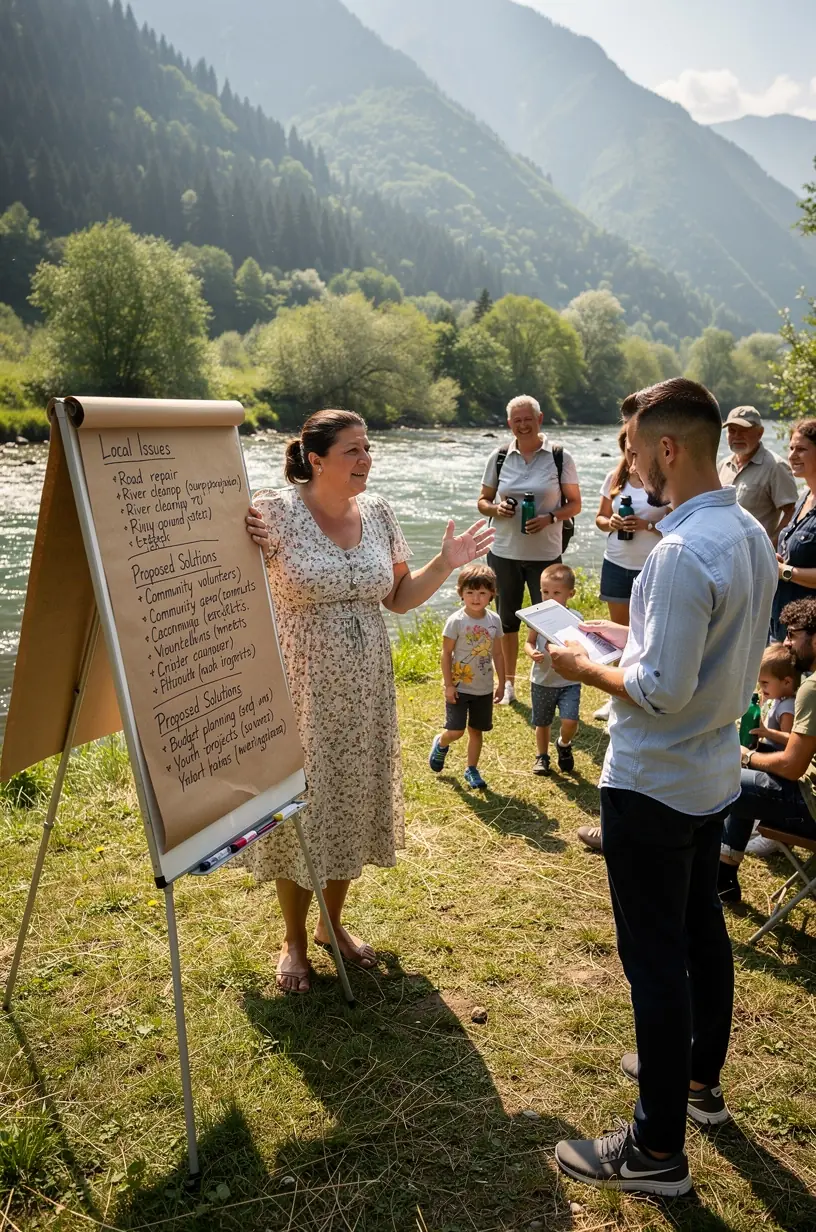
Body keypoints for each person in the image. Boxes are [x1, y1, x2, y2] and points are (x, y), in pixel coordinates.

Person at [546, 378, 776, 1196]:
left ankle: (652, 1151)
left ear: (668, 450)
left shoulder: (678, 551)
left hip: (653, 779)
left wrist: (579, 662)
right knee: (699, 930)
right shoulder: (746, 529)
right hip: (710, 770)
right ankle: (698, 1083)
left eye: (633, 450)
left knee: (653, 961)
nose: (627, 463)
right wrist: (627, 639)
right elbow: (703, 654)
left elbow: (663, 689)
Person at [244, 409, 494, 994]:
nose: (366, 459)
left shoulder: (378, 512)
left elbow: (401, 599)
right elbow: (231, 577)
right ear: (317, 458)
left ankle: (332, 924)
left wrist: (447, 563)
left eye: (367, 448)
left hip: (367, 686)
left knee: (353, 799)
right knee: (305, 806)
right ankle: (293, 940)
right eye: (353, 450)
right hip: (303, 686)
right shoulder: (274, 511)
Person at [477, 395, 581, 705]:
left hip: (545, 555)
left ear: (540, 419)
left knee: (550, 622)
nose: (523, 424)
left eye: (528, 419)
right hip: (504, 551)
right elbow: (482, 501)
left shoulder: (560, 456)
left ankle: (552, 681)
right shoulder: (498, 457)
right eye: (516, 420)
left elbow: (575, 504)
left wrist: (550, 517)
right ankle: (508, 686)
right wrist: (497, 510)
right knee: (507, 621)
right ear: (509, 423)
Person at [718, 599, 816, 904]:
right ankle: (723, 877)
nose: (786, 643)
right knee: (747, 780)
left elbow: (790, 767)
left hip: (811, 805)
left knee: (728, 777)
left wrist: (745, 756)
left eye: (792, 634)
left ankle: (710, 871)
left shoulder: (812, 689)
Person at [591, 427, 669, 725]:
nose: (631, 455)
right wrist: (610, 522)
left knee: (647, 633)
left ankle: (646, 692)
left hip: (650, 565)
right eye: (627, 449)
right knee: (617, 632)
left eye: (635, 449)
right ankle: (616, 697)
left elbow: (677, 518)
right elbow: (598, 519)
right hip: (616, 562)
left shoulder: (660, 479)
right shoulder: (614, 478)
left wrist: (647, 526)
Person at [428, 564, 505, 790]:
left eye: (482, 592)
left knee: (476, 731)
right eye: (470, 592)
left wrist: (502, 682)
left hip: (484, 688)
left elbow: (498, 654)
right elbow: (446, 653)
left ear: (492, 593)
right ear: (461, 593)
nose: (476, 598)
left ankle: (471, 769)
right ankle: (441, 743)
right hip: (460, 686)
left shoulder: (494, 620)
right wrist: (448, 685)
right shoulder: (456, 621)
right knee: (456, 731)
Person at [523, 564, 582, 776]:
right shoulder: (536, 617)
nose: (549, 597)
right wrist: (532, 653)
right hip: (542, 680)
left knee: (570, 720)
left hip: (569, 680)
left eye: (556, 593)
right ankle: (542, 756)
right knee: (542, 721)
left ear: (570, 593)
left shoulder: (575, 618)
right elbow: (528, 643)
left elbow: (581, 646)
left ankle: (564, 744)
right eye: (545, 592)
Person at [718, 406, 797, 546]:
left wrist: (772, 544)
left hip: (755, 556)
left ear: (760, 433)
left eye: (743, 431)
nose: (737, 436)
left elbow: (791, 513)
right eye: (732, 430)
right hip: (724, 551)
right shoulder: (723, 465)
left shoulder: (776, 466)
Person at [772, 420, 816, 642]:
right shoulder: (804, 498)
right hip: (783, 626)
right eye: (791, 448)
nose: (792, 455)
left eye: (801, 449)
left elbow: (788, 570)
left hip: (809, 637)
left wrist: (785, 571)